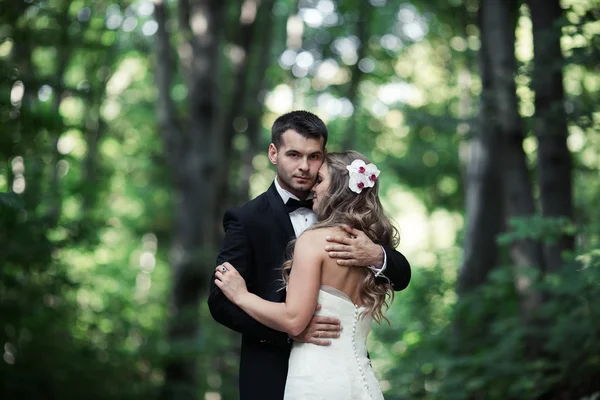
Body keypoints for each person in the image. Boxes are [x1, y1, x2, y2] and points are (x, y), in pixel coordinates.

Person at [208, 111, 410, 400]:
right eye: (293, 155)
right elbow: (219, 302)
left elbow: (402, 274)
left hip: (339, 373)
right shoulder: (247, 219)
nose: (304, 167)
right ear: (273, 153)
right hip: (271, 373)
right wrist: (291, 331)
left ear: (324, 156)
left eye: (314, 157)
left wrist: (377, 254)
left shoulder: (358, 226)